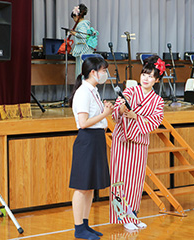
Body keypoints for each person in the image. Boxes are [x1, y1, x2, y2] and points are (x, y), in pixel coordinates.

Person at [109, 55, 165, 230]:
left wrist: (136, 116)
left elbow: (155, 121)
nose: (146, 78)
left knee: (136, 180)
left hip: (139, 142)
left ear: (156, 80)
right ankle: (122, 216)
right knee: (120, 179)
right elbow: (116, 113)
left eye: (150, 76)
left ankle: (132, 214)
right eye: (144, 74)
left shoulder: (158, 101)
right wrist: (122, 108)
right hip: (122, 140)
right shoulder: (129, 92)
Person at [69, 56, 113, 240]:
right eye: (103, 70)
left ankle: (85, 224)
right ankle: (78, 228)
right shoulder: (83, 92)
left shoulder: (93, 90)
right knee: (81, 187)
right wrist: (104, 114)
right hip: (87, 140)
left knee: (89, 187)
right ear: (93, 72)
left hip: (97, 139)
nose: (105, 74)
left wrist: (105, 112)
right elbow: (83, 122)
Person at [70, 4, 95, 79]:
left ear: (77, 16)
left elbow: (83, 36)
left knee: (81, 71)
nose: (74, 20)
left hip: (83, 50)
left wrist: (74, 33)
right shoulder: (84, 24)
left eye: (74, 18)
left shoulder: (81, 24)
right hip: (84, 49)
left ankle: (81, 86)